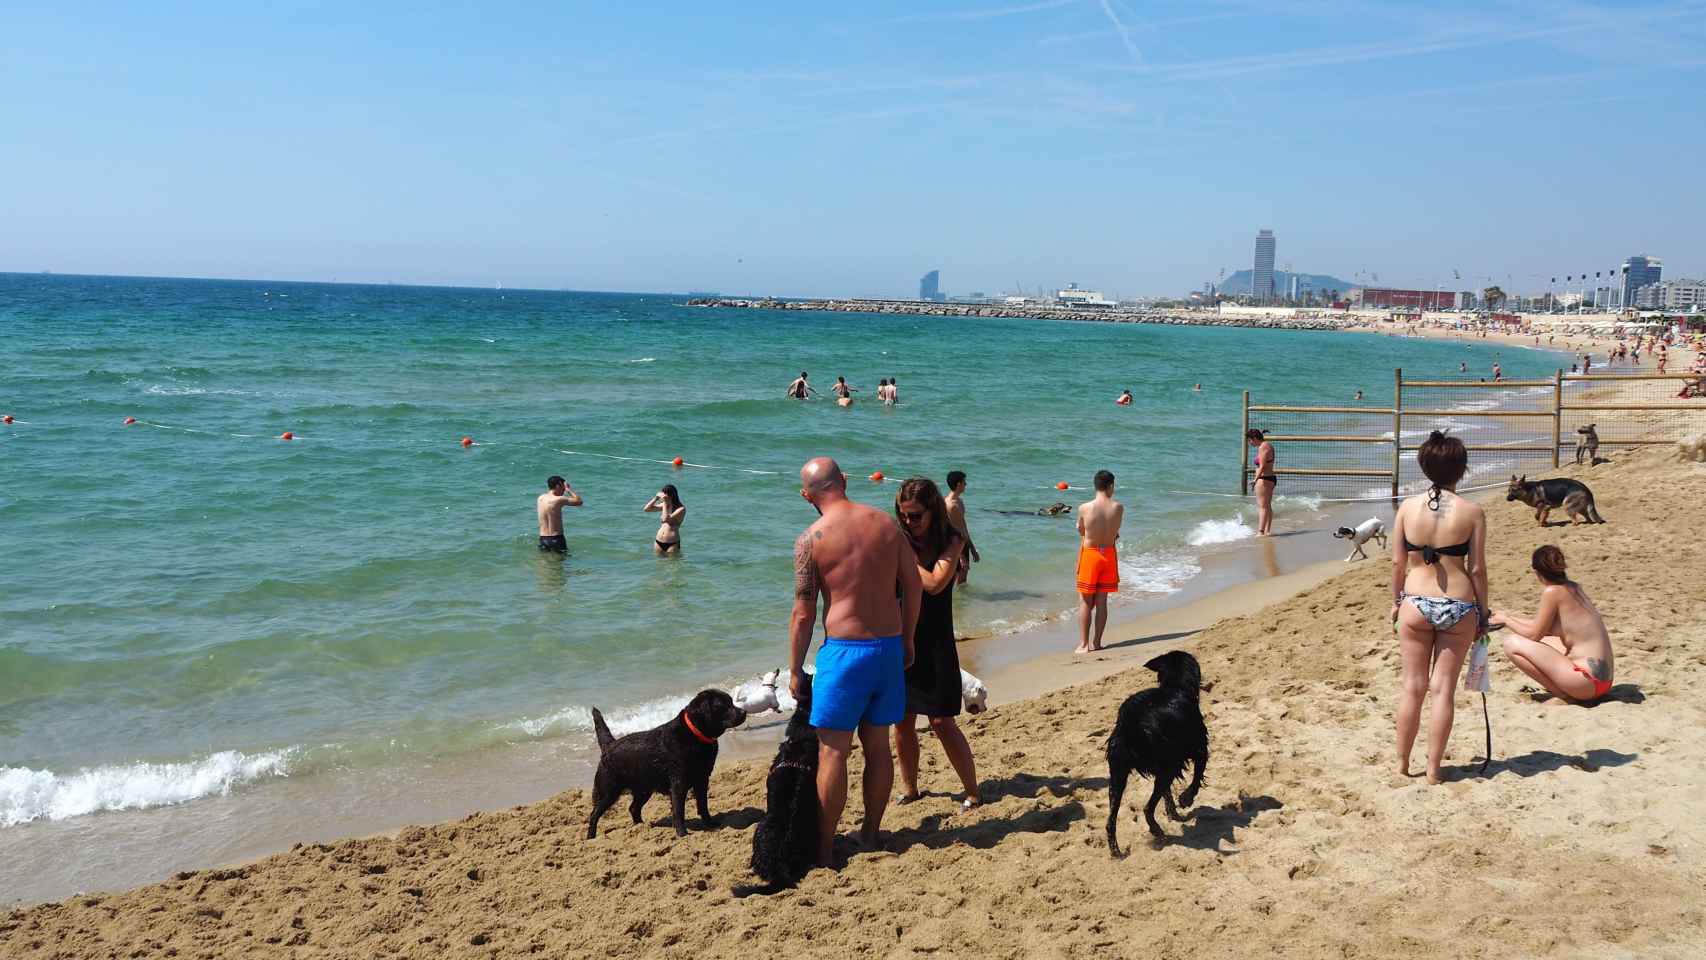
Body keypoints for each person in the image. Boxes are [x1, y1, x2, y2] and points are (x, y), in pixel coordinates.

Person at [790, 457, 922, 866]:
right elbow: (914, 584)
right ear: (844, 481)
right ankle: (870, 833)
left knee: (833, 753)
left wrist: (795, 668)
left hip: (845, 653)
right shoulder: (886, 524)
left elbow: (803, 612)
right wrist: (908, 636)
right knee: (878, 747)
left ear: (806, 496)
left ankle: (825, 847)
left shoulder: (811, 539)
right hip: (887, 647)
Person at [1389, 431, 1487, 785]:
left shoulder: (1407, 508)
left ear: (1424, 465)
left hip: (1415, 601)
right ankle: (1433, 770)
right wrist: (1484, 612)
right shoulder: (1473, 512)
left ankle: (1402, 765)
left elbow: (1398, 565)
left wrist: (1396, 603)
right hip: (1458, 605)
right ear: (1461, 470)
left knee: (1412, 687)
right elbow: (1476, 569)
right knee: (1442, 689)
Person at [891, 477, 980, 808]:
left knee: (942, 721)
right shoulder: (897, 538)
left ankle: (972, 790)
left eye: (916, 515)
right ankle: (910, 788)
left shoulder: (951, 540)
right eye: (903, 515)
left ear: (933, 512)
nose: (908, 522)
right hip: (901, 636)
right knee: (902, 720)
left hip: (936, 641)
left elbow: (934, 583)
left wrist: (905, 557)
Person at [1493, 546, 1614, 705]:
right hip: (1603, 683)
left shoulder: (1552, 592)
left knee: (1511, 643)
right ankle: (1569, 689)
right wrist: (1505, 618)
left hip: (1586, 682)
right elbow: (1541, 627)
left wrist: (1507, 620)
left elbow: (1533, 635)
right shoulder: (1574, 587)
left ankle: (1564, 696)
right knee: (1545, 642)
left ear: (1537, 572)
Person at [1073, 470, 1123, 654]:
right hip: (1109, 555)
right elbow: (1116, 532)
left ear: (1095, 486)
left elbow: (1081, 530)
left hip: (1091, 555)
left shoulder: (1085, 508)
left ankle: (1084, 644)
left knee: (1086, 601)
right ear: (1110, 486)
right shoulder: (1118, 507)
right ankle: (1097, 642)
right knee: (1102, 601)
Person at [943, 470, 980, 585]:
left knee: (962, 579)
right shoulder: (951, 505)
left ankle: (963, 601)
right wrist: (961, 555)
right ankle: (958, 602)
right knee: (958, 579)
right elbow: (952, 531)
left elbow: (963, 527)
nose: (966, 485)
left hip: (962, 543)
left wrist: (971, 548)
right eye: (964, 482)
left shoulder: (959, 501)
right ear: (958, 484)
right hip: (955, 546)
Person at [536, 475, 583, 552]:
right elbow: (579, 502)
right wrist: (569, 490)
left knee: (545, 563)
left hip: (543, 539)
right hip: (556, 539)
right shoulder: (559, 499)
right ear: (558, 485)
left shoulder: (540, 498)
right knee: (560, 563)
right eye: (563, 487)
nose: (564, 490)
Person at [642, 484, 686, 556]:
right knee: (659, 564)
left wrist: (665, 503)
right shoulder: (665, 505)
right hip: (658, 541)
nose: (663, 497)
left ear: (671, 496)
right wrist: (656, 498)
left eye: (665, 495)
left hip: (672, 543)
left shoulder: (681, 509)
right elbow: (646, 509)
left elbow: (664, 519)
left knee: (672, 564)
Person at [1247, 428, 1275, 536]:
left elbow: (1262, 466)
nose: (1249, 443)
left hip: (1264, 479)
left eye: (1249, 440)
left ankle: (1260, 532)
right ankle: (1267, 531)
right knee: (1267, 506)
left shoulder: (1263, 447)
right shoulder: (1267, 445)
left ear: (1254, 438)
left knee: (1262, 506)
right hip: (1269, 478)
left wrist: (1255, 480)